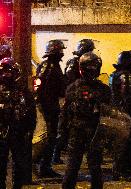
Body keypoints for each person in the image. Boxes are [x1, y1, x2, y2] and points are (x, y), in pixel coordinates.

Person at [62, 52, 111, 189]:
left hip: (77, 130)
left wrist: (63, 133)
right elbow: (109, 112)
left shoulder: (72, 87)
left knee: (73, 164)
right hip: (95, 131)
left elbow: (65, 113)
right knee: (94, 166)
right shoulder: (104, 89)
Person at [53, 39, 95, 164]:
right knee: (66, 128)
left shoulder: (83, 62)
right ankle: (56, 154)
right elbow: (70, 78)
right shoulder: (74, 62)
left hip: (83, 98)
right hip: (74, 99)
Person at [0, 57, 36, 189]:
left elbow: (31, 112)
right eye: (4, 71)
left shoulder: (23, 91)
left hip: (18, 132)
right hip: (2, 132)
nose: (6, 74)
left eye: (9, 71)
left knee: (19, 164)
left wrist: (29, 130)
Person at [35, 39, 66, 177]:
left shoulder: (53, 65)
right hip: (47, 107)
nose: (62, 53)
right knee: (49, 138)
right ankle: (42, 167)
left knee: (52, 137)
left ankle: (44, 166)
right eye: (60, 51)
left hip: (51, 105)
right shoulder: (48, 66)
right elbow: (40, 87)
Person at [109, 51, 131, 178]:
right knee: (124, 143)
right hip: (124, 112)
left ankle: (123, 167)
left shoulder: (114, 74)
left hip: (116, 111)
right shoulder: (125, 76)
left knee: (120, 142)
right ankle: (120, 170)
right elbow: (128, 97)